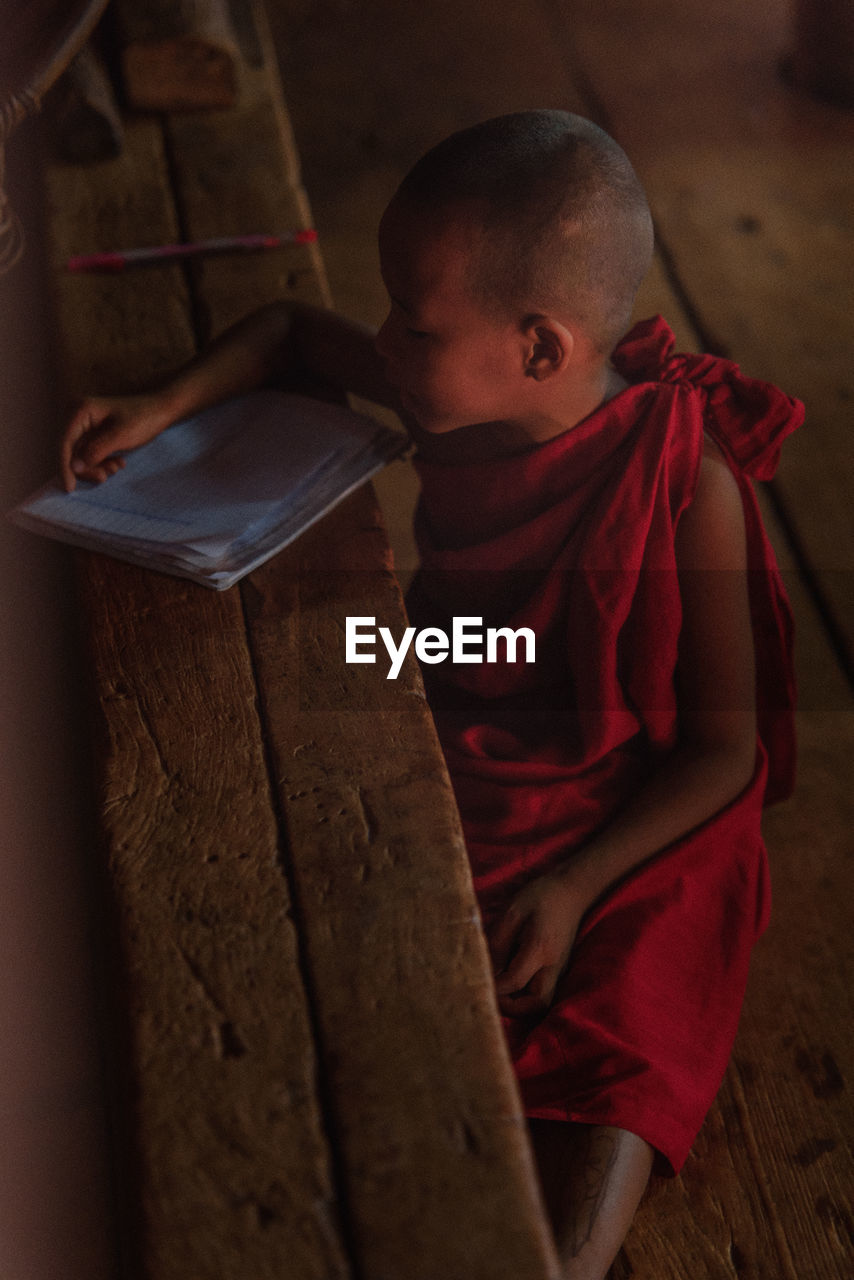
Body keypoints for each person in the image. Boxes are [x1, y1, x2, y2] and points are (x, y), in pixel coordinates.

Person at [60, 111, 802, 1279]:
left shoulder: (686, 487)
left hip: (634, 793)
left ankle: (558, 1251)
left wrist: (569, 886)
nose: (388, 345)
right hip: (467, 688)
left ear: (540, 347)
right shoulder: (453, 396)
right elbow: (295, 333)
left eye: (413, 322)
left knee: (664, 943)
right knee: (299, 779)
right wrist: (157, 404)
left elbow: (722, 755)